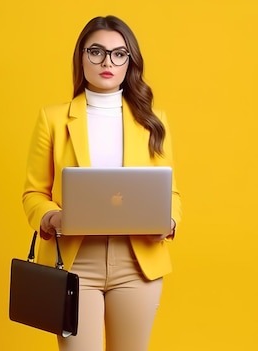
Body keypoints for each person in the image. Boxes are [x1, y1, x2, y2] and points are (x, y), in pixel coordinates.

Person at [22, 15, 182, 351]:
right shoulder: (52, 119)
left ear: (130, 61)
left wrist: (168, 221)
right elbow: (34, 193)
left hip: (138, 262)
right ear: (81, 57)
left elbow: (170, 192)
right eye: (96, 51)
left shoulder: (153, 122)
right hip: (75, 263)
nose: (107, 61)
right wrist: (51, 217)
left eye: (118, 53)